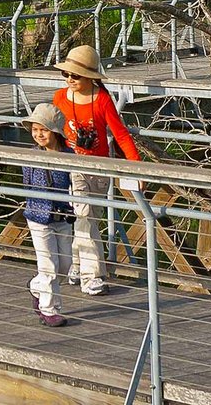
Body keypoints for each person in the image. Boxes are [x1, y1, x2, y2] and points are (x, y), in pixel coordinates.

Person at [51, 45, 141, 296]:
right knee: (84, 216)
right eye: (66, 74)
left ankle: (77, 264)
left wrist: (135, 168)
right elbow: (52, 130)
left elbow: (121, 135)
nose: (70, 79)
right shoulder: (60, 97)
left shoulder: (102, 100)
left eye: (76, 75)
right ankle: (92, 276)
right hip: (72, 166)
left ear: (90, 77)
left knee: (89, 219)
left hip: (99, 169)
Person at [20, 104, 75, 327]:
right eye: (35, 130)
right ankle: (49, 310)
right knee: (49, 266)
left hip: (62, 216)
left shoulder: (69, 155)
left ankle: (36, 287)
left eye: (44, 130)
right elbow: (27, 185)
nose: (38, 134)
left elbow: (76, 182)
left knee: (64, 265)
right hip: (39, 217)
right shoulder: (31, 155)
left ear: (56, 132)